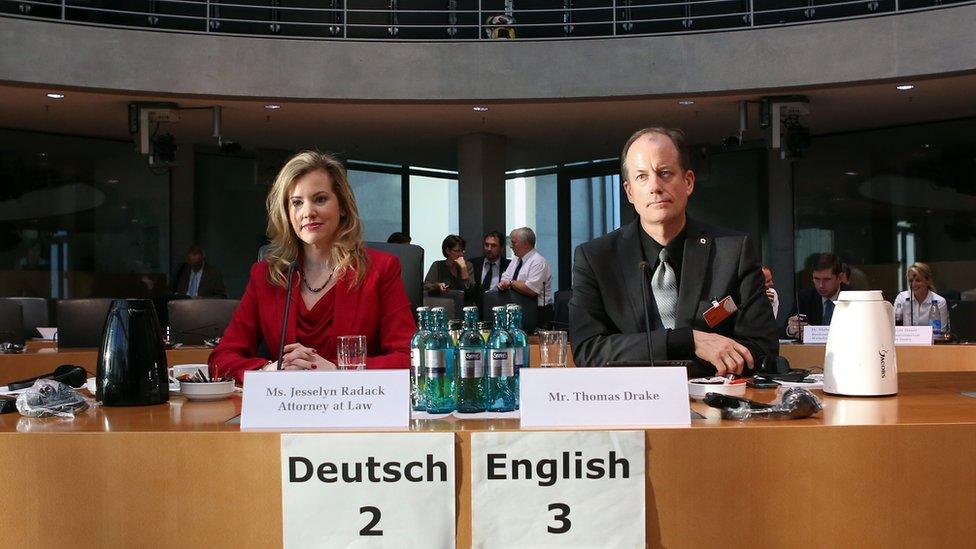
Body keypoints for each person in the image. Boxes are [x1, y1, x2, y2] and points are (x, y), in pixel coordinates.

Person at [569, 127, 778, 377]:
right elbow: (588, 351)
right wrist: (686, 341)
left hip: (715, 405)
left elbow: (762, 349)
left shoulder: (733, 250)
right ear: (629, 192)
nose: (655, 186)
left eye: (665, 173)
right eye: (642, 177)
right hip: (630, 404)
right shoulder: (595, 258)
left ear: (688, 182)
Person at [209, 151, 415, 383]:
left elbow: (408, 358)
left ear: (343, 207)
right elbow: (221, 358)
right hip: (287, 408)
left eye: (320, 199)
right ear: (287, 213)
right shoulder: (265, 276)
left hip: (356, 408)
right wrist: (269, 371)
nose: (307, 212)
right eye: (296, 203)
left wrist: (339, 371)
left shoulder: (380, 270)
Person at [787, 252, 848, 337]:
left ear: (840, 278)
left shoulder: (853, 298)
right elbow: (782, 331)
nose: (821, 285)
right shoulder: (805, 297)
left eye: (827, 279)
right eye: (816, 279)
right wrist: (791, 330)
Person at [498, 227, 553, 317]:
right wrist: (505, 283)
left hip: (537, 312)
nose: (511, 246)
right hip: (518, 310)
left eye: (514, 242)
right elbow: (505, 278)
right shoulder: (516, 259)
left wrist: (511, 283)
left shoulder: (538, 261)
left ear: (526, 244)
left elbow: (531, 289)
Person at [893, 262, 949, 329]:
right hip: (907, 339)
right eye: (911, 281)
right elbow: (893, 326)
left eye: (918, 280)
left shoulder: (939, 301)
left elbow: (941, 331)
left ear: (928, 281)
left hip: (932, 339)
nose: (913, 284)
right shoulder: (902, 297)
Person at [469, 230, 511, 298]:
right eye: (486, 245)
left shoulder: (509, 266)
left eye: (493, 245)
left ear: (501, 248)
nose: (489, 249)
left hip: (500, 305)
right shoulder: (473, 264)